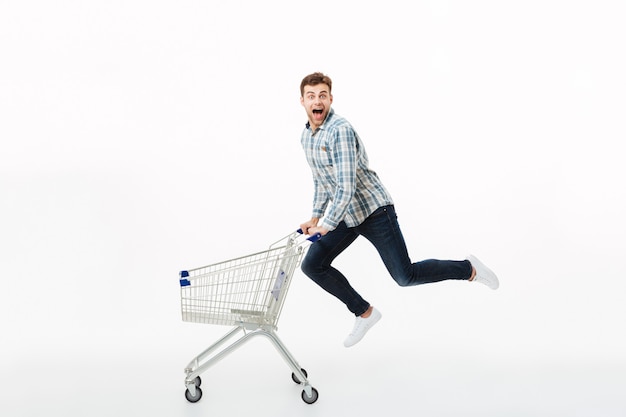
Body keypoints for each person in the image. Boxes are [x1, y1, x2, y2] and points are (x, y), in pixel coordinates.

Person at [297, 72, 499, 348]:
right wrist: (316, 216)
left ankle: (469, 269)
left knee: (406, 276)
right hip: (346, 215)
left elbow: (345, 185)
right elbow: (323, 180)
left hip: (373, 210)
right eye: (311, 96)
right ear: (303, 102)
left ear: (330, 99)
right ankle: (364, 313)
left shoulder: (339, 130)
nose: (317, 101)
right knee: (312, 265)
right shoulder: (306, 137)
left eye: (322, 95)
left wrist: (327, 224)